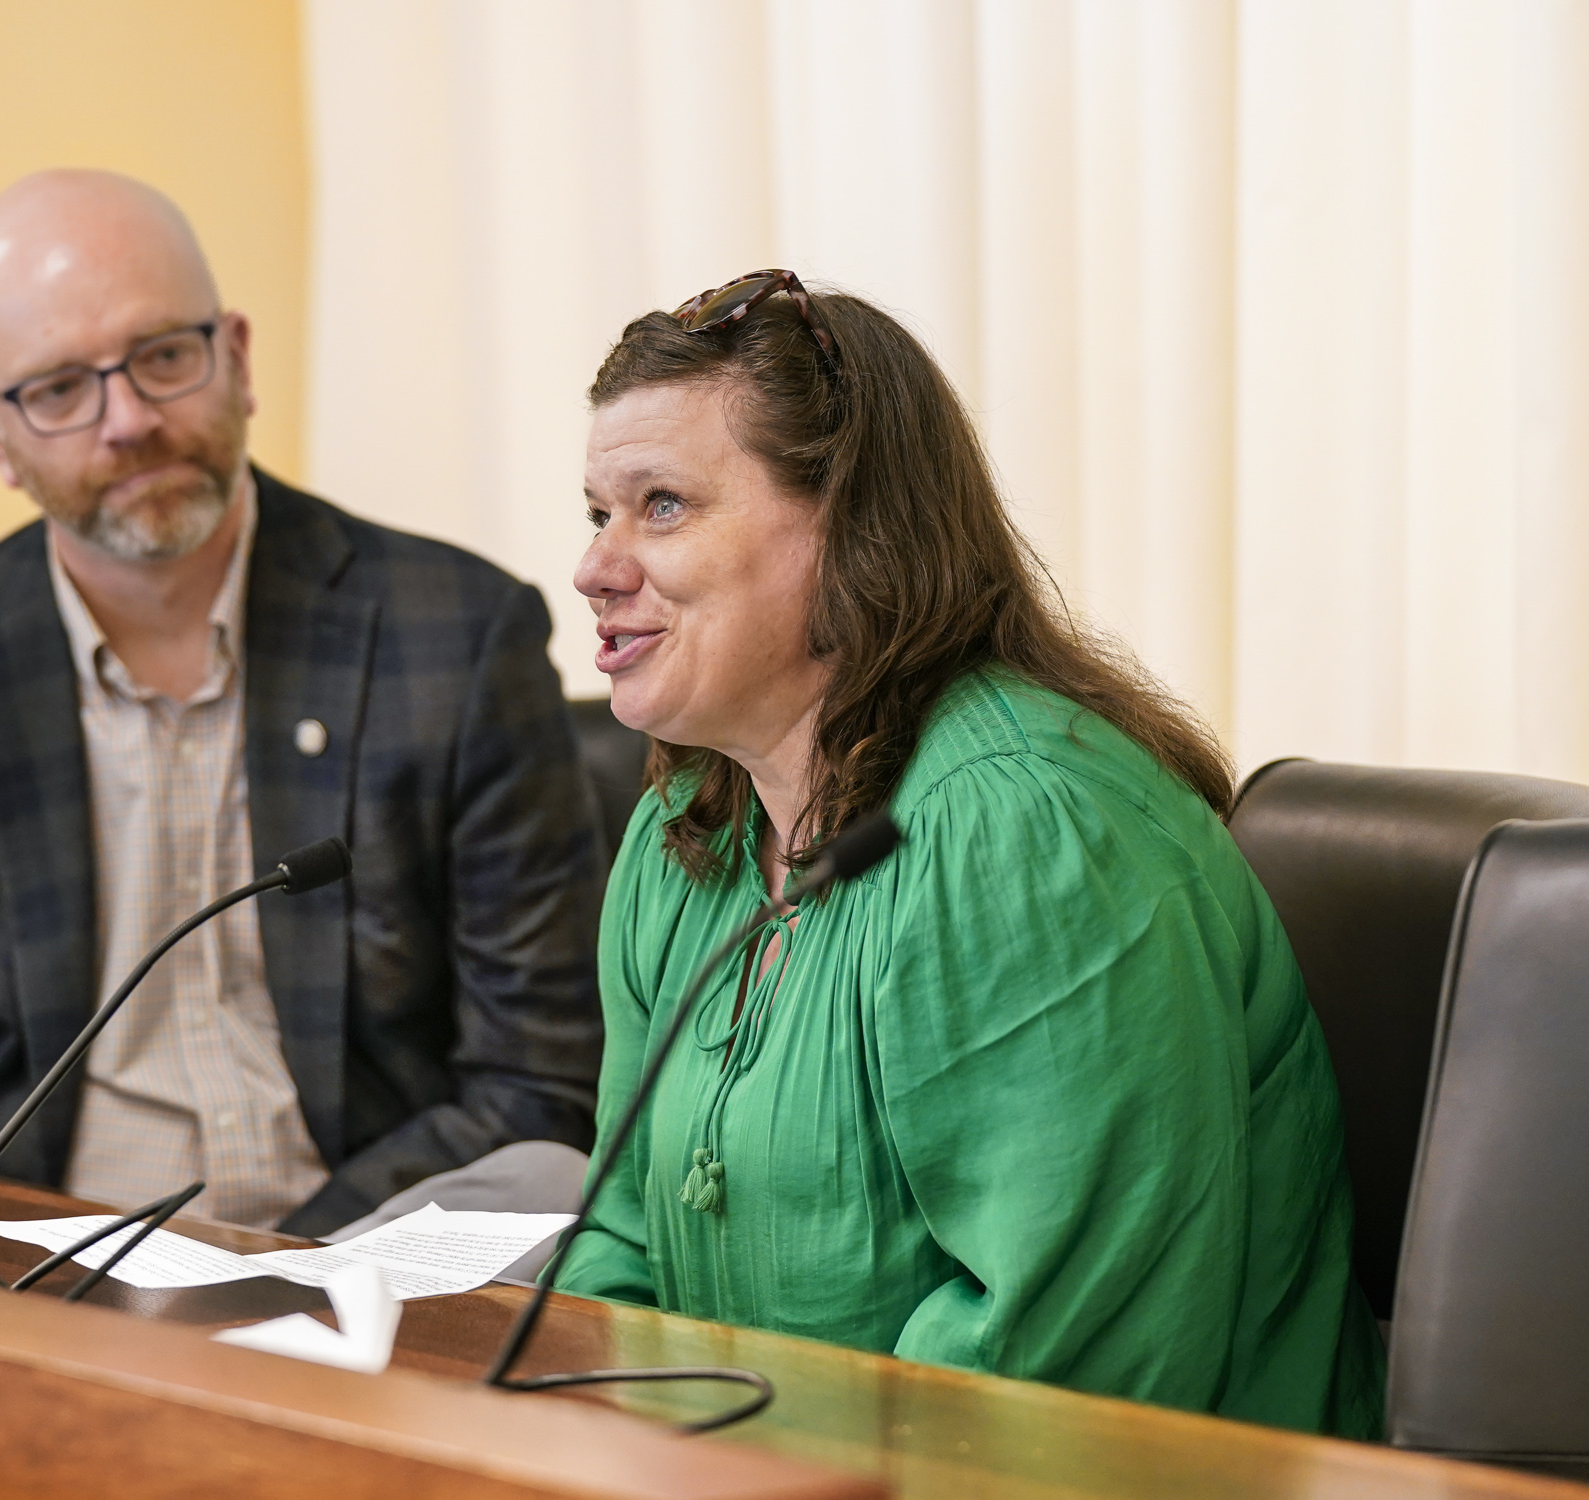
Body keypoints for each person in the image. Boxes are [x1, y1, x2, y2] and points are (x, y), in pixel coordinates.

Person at [553, 270, 1385, 1435]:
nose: (597, 565)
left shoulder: (1031, 833)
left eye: (664, 506)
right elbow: (620, 1232)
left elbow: (1052, 1367)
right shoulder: (686, 820)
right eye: (598, 512)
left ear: (846, 525)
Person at [0, 171, 603, 1237]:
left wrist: (271, 1270)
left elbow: (539, 1085)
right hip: (31, 1290)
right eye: (60, 389)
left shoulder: (458, 636)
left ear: (239, 359)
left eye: (164, 356)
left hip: (370, 1266)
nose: (128, 422)